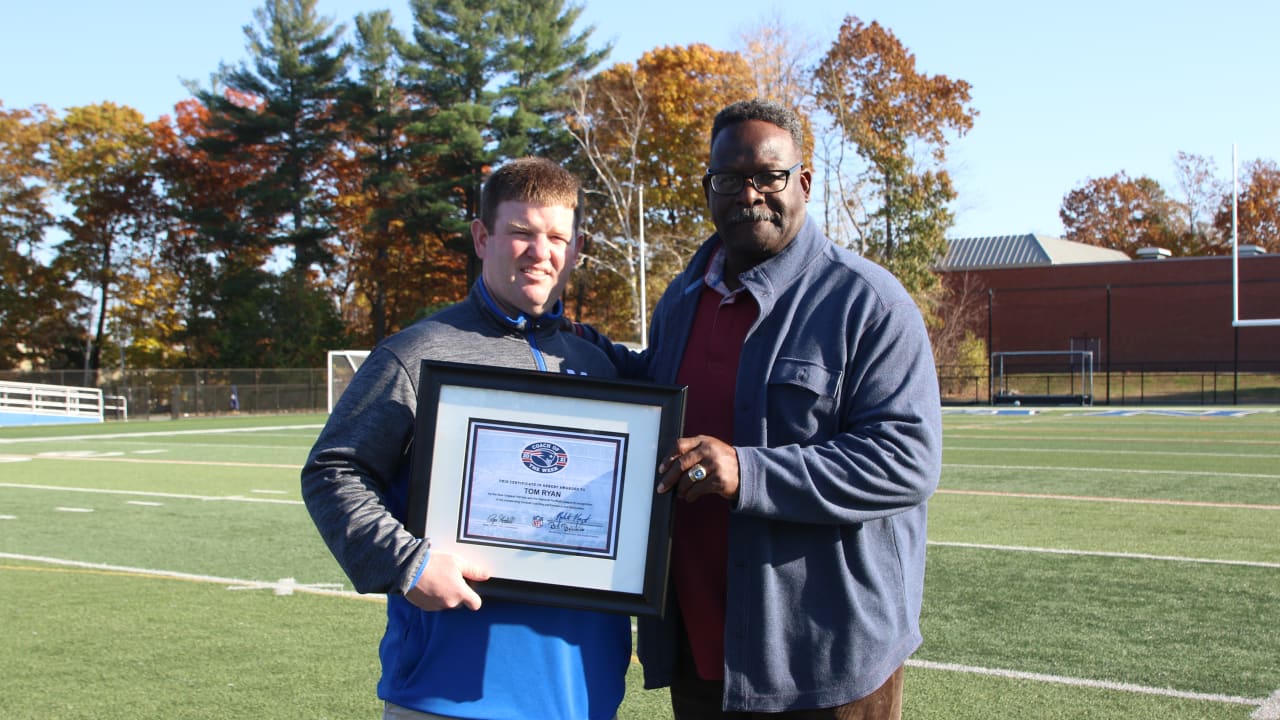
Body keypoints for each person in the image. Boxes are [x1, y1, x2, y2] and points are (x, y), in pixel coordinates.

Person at [590, 99, 942, 718]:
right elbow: (657, 396)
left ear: (802, 182)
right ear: (709, 188)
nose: (748, 193)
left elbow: (906, 461)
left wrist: (747, 472)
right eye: (728, 179)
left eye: (768, 176)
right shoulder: (681, 300)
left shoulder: (868, 303)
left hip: (823, 659)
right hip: (703, 647)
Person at [301, 157, 630, 720]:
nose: (539, 251)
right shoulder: (418, 351)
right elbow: (334, 470)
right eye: (520, 233)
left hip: (582, 689)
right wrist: (408, 563)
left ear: (575, 249)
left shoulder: (597, 363)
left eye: (556, 236)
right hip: (447, 690)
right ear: (482, 237)